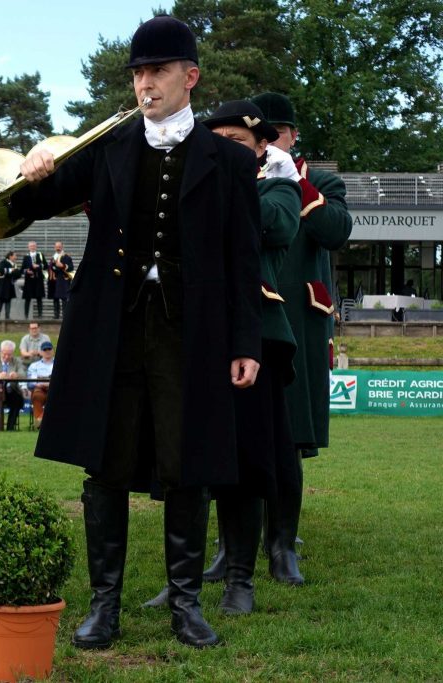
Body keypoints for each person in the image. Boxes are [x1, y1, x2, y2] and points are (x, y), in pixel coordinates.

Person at [11, 16, 263, 649]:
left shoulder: (229, 161)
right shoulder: (107, 148)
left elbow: (243, 260)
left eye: (157, 72)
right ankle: (106, 605)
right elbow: (30, 200)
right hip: (112, 329)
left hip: (194, 331)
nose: (145, 84)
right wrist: (35, 161)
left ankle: (186, 605)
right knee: (107, 460)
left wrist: (245, 343)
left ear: (190, 77)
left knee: (188, 462)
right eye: (138, 74)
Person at [147, 100, 302, 613]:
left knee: (250, 460)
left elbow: (276, 229)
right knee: (184, 459)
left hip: (251, 334)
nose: (225, 150)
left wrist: (237, 183)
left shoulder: (278, 185)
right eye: (218, 142)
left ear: (262, 148)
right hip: (189, 331)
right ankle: (182, 578)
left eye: (238, 142)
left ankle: (241, 579)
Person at [251, 92, 353, 585]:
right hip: (250, 320)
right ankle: (233, 544)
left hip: (300, 326)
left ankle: (282, 544)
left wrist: (299, 183)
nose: (268, 144)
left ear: (293, 136)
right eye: (261, 136)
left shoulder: (323, 182)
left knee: (289, 436)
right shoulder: (241, 179)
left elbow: (336, 231)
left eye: (277, 135)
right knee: (239, 433)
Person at [0, 340, 26, 431]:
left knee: (18, 399)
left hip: (11, 390)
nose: (6, 357)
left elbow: (23, 374)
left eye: (9, 354)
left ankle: (11, 426)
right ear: (0, 352)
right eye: (4, 354)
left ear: (13, 353)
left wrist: (16, 375)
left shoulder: (17, 361)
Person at [26, 340, 55, 429]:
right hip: (40, 389)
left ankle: (41, 421)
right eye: (45, 350)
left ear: (53, 351)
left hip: (55, 389)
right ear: (41, 352)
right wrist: (41, 384)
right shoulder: (34, 366)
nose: (47, 351)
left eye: (49, 349)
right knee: (37, 396)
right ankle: (41, 422)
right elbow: (30, 384)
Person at [21, 240, 47, 319]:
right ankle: (26, 316)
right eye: (31, 246)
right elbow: (22, 269)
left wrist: (38, 266)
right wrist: (27, 271)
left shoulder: (40, 255)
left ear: (36, 247)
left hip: (38, 280)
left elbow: (46, 266)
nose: (32, 247)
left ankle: (40, 315)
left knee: (39, 298)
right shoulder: (26, 256)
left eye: (33, 246)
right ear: (28, 247)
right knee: (27, 298)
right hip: (29, 280)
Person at [48, 241, 75, 318]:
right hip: (54, 281)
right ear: (54, 247)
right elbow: (51, 268)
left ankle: (65, 316)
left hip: (63, 281)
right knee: (55, 298)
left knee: (64, 298)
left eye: (59, 246)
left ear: (62, 247)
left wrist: (62, 266)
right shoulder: (53, 258)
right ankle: (56, 315)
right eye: (56, 246)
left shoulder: (66, 257)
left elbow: (71, 268)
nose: (58, 248)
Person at [0, 251, 19, 320]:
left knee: (8, 301)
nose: (16, 257)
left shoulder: (14, 264)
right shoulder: (3, 262)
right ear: (10, 256)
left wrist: (15, 273)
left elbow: (17, 274)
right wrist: (11, 270)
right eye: (15, 256)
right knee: (0, 300)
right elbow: (1, 270)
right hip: (2, 285)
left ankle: (7, 317)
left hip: (10, 285)